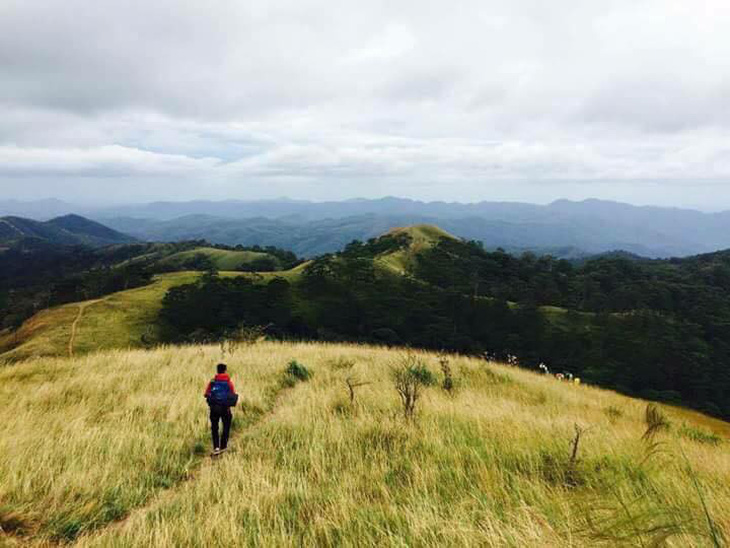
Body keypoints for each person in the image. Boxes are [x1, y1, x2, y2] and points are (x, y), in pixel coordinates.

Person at [204, 363, 238, 456]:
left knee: (215, 428)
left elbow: (206, 394)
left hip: (214, 408)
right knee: (226, 426)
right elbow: (232, 395)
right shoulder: (229, 382)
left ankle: (216, 447)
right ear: (225, 370)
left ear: (217, 371)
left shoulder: (212, 382)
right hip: (225, 409)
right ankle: (223, 446)